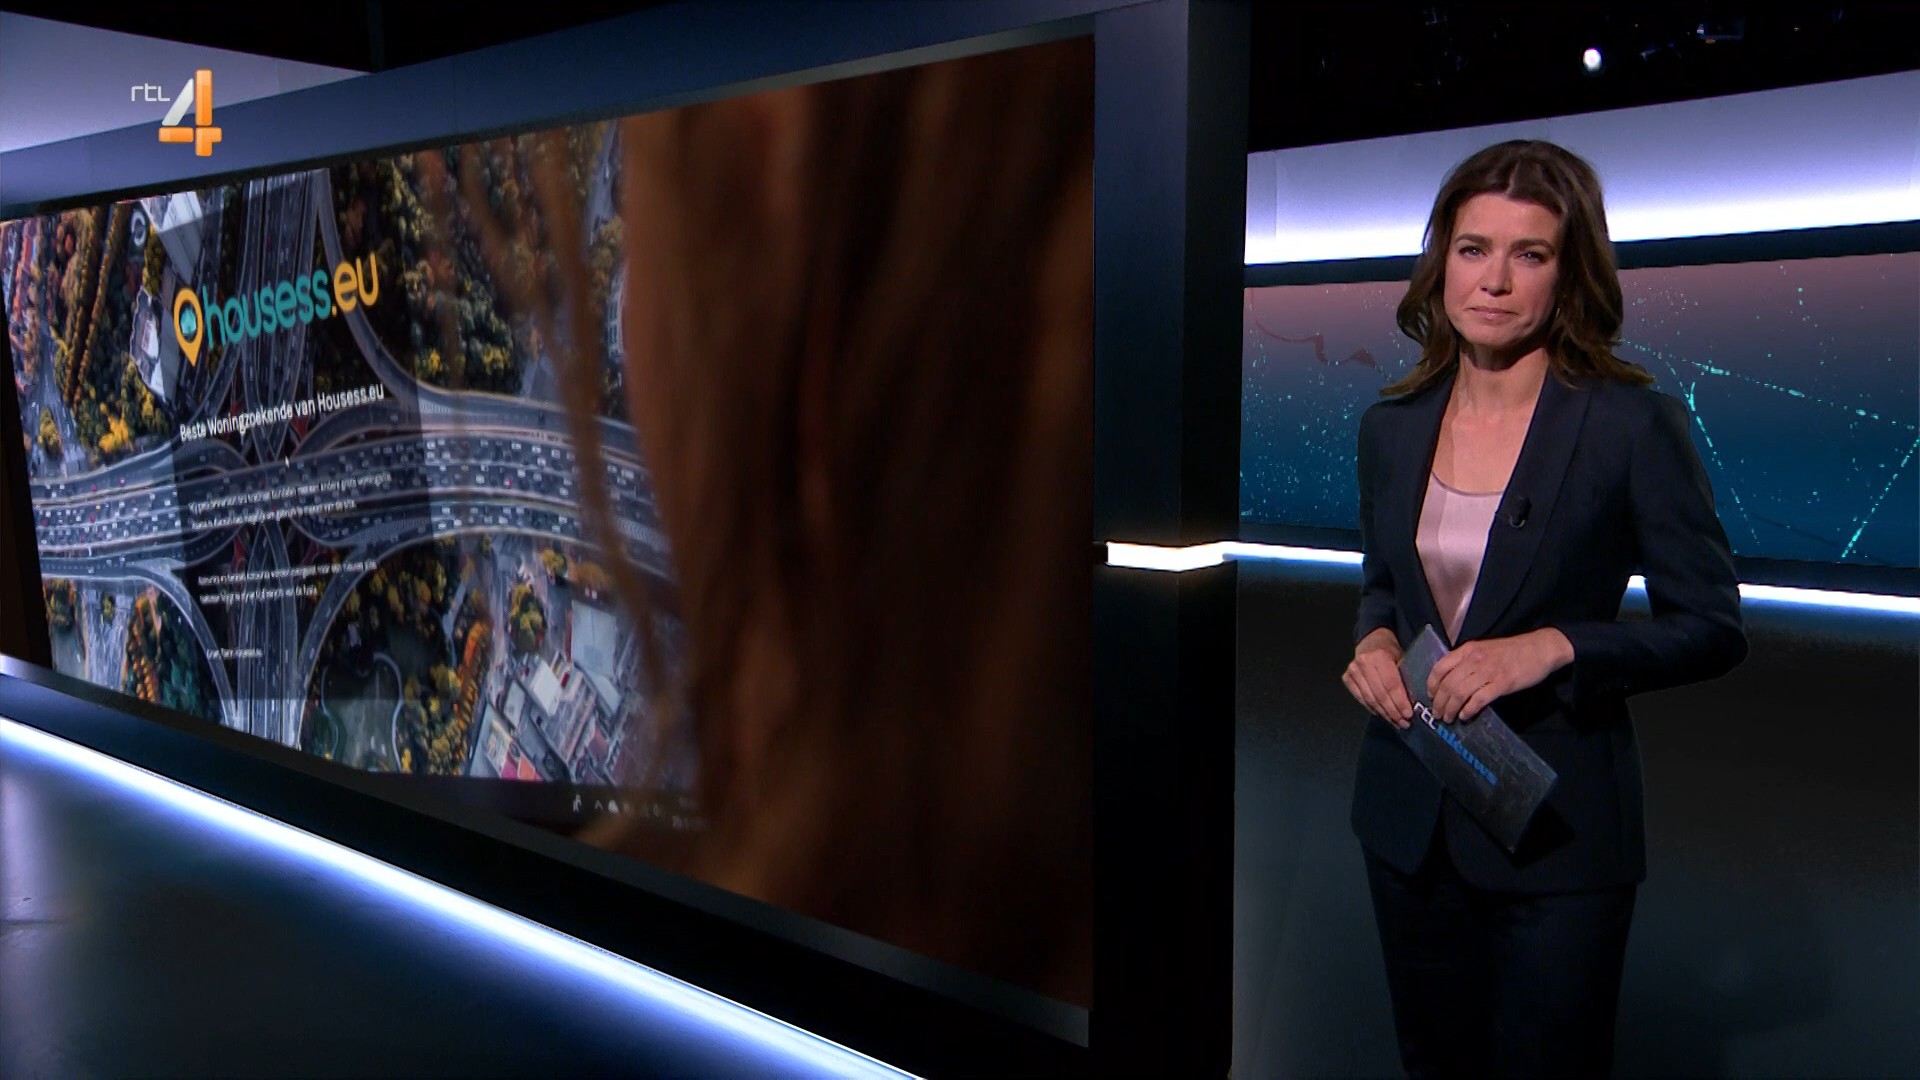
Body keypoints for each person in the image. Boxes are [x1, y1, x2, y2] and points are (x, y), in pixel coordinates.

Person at [1338, 140, 1748, 1077]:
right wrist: (1372, 640)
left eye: (1529, 254)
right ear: (1441, 263)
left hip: (1557, 835)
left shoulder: (1631, 425)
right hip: (1408, 819)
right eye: (1473, 249)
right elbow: (1383, 584)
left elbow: (1712, 627)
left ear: (1569, 276)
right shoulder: (1390, 428)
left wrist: (1557, 646)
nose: (1494, 280)